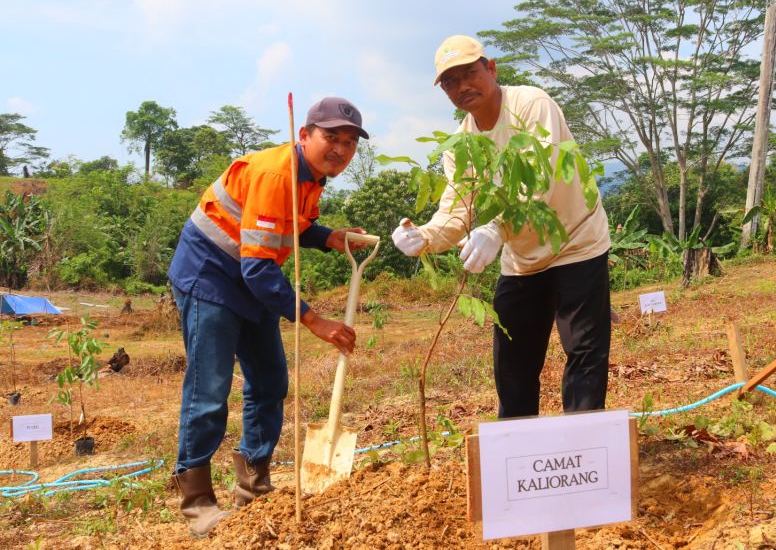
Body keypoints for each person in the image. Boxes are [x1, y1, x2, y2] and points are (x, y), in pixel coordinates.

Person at [167, 97, 369, 538]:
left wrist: (328, 236)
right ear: (304, 135)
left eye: (349, 142)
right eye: (330, 137)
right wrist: (315, 320)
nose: (340, 149)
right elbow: (256, 265)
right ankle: (196, 500)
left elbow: (288, 225)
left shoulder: (312, 177)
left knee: (271, 380)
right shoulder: (276, 173)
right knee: (209, 391)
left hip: (251, 279)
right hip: (212, 275)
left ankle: (253, 484)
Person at [393, 35, 612, 420]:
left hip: (576, 241)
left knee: (583, 352)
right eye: (450, 82)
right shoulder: (459, 145)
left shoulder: (531, 104)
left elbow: (539, 183)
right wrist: (423, 237)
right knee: (512, 365)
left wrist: (496, 229)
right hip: (522, 257)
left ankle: (583, 452)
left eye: (470, 73)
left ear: (491, 69)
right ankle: (520, 455)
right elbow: (457, 210)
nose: (463, 87)